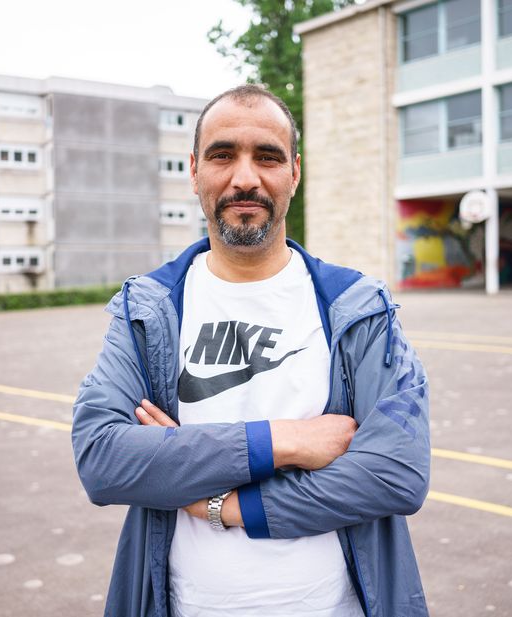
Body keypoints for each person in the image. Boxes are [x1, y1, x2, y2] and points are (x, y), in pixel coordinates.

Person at [72, 85, 431, 617]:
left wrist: (220, 505)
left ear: (294, 172)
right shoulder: (147, 310)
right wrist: (282, 441)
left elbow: (395, 473)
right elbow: (103, 459)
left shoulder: (356, 307)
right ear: (194, 170)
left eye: (267, 156)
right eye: (222, 155)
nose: (245, 178)